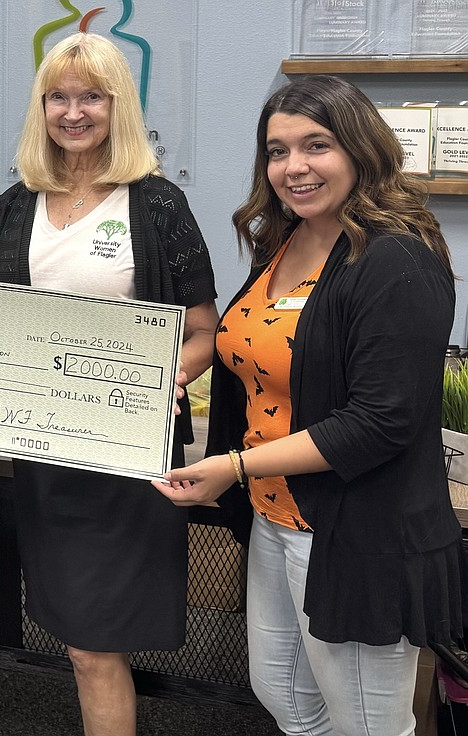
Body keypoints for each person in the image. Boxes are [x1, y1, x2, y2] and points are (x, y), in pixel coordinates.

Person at [152, 74, 464, 736]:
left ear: (359, 149)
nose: (294, 167)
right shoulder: (285, 240)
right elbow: (248, 346)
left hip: (356, 533)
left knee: (370, 725)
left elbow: (381, 421)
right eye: (277, 150)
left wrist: (234, 466)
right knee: (285, 694)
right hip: (276, 516)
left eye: (315, 146)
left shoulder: (396, 261)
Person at [0, 33, 219, 736]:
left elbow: (204, 331)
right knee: (80, 638)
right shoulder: (15, 205)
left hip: (126, 452)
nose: (73, 111)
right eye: (59, 96)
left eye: (91, 97)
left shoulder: (158, 205)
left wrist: (166, 375)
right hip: (46, 452)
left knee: (93, 642)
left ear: (119, 107)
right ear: (41, 106)